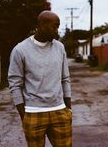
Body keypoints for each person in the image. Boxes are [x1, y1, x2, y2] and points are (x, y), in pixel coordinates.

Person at [8, 10, 72, 147]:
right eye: (54, 26)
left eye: (58, 27)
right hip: (33, 113)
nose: (57, 31)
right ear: (42, 25)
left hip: (59, 111)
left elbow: (65, 78)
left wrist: (68, 108)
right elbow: (14, 84)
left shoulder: (59, 47)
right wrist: (23, 115)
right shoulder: (20, 50)